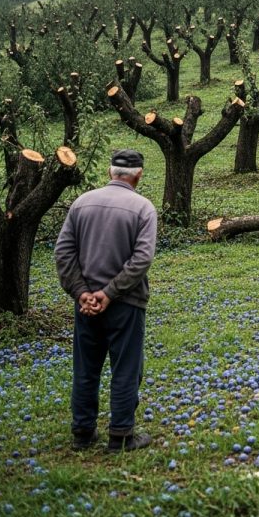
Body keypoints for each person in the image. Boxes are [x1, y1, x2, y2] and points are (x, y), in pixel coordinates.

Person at [55, 148, 158, 452]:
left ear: (110, 172)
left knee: (86, 368)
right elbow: (142, 259)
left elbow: (63, 252)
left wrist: (82, 293)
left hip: (86, 305)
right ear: (139, 175)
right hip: (126, 303)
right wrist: (110, 293)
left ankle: (83, 432)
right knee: (126, 368)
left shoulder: (82, 203)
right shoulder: (143, 208)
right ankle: (121, 435)